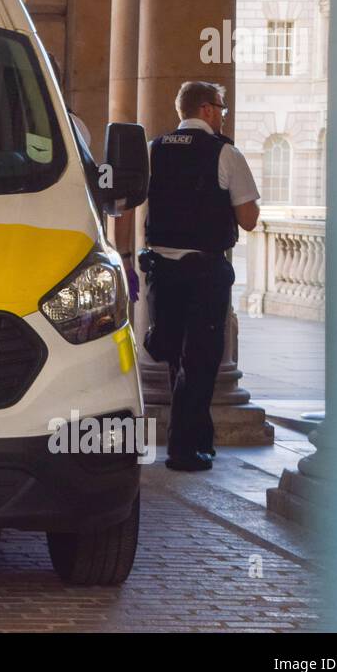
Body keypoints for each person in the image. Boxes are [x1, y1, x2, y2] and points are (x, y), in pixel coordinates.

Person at [117, 81, 260, 472]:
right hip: (205, 272)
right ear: (208, 110)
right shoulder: (225, 154)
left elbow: (125, 206)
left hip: (161, 271)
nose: (223, 115)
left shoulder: (154, 150)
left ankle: (197, 439)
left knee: (174, 355)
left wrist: (124, 256)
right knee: (201, 359)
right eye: (222, 108)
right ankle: (185, 449)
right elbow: (248, 220)